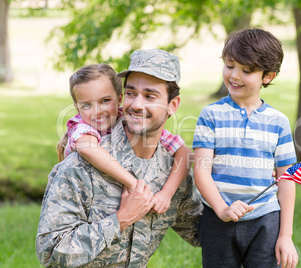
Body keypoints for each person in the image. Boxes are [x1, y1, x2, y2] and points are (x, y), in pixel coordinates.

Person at [36, 49, 203, 267]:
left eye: (150, 96)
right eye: (132, 93)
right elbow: (50, 253)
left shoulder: (171, 169)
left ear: (172, 105)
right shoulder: (80, 165)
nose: (136, 105)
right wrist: (121, 219)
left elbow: (202, 232)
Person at [193, 28, 299, 268]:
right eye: (230, 65)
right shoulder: (211, 115)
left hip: (265, 220)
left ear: (268, 76)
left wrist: (285, 235)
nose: (235, 76)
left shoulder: (278, 121)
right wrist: (222, 208)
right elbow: (201, 171)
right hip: (217, 219)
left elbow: (287, 178)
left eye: (246, 70)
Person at [56, 63, 192, 214]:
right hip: (81, 198)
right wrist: (134, 184)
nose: (97, 111)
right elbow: (88, 149)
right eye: (86, 105)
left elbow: (185, 153)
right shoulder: (82, 126)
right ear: (77, 108)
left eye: (105, 101)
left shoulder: (127, 119)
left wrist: (167, 193)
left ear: (119, 99)